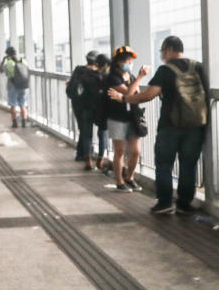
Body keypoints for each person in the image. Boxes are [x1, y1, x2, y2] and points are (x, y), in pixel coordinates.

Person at [108, 35, 209, 215]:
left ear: (169, 50)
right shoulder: (198, 67)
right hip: (195, 126)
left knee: (164, 164)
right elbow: (206, 95)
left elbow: (148, 95)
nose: (162, 54)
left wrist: (124, 98)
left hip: (170, 126)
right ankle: (185, 204)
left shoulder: (165, 70)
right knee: (188, 164)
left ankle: (164, 203)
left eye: (162, 51)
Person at [101, 46, 144, 193]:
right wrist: (139, 78)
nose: (129, 62)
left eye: (131, 60)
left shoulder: (130, 76)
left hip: (132, 117)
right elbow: (130, 93)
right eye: (126, 60)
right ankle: (119, 181)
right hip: (116, 118)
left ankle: (129, 177)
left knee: (135, 151)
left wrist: (134, 84)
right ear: (118, 62)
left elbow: (135, 95)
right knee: (119, 151)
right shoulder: (112, 78)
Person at [67, 50, 104, 169]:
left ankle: (86, 158)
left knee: (85, 132)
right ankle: (99, 158)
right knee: (101, 133)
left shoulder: (79, 70)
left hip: (79, 106)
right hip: (96, 107)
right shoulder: (99, 73)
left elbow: (71, 87)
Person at [0, 46, 30, 128]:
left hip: (12, 85)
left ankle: (14, 123)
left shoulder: (8, 63)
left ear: (7, 54)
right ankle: (24, 122)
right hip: (23, 85)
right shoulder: (23, 61)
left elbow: (1, 71)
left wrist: (3, 61)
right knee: (22, 103)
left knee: (13, 104)